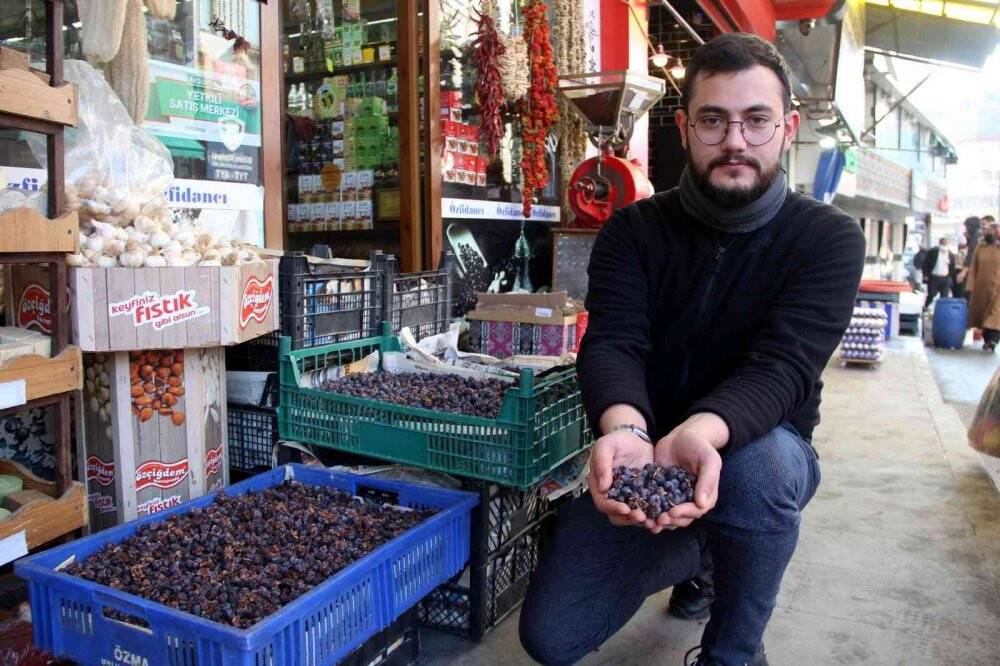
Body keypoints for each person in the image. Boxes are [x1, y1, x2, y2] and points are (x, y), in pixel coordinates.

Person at [519, 33, 865, 666]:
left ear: (787, 128)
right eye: (713, 120)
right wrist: (623, 428)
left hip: (762, 448)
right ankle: (703, 547)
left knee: (754, 473)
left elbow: (784, 366)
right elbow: (615, 341)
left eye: (756, 120)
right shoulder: (635, 229)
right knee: (551, 637)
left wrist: (699, 436)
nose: (735, 140)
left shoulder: (827, 239)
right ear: (685, 127)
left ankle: (733, 650)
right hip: (652, 450)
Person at [968, 222, 1000, 352]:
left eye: (990, 230)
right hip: (982, 287)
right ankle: (988, 341)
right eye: (986, 230)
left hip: (998, 288)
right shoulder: (980, 248)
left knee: (996, 314)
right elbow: (973, 268)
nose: (987, 232)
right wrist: (970, 287)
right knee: (983, 315)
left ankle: (993, 340)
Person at [922, 237, 955, 311]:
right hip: (934, 277)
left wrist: (950, 278)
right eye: (943, 243)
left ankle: (942, 310)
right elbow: (926, 263)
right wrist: (926, 275)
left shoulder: (950, 255)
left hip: (945, 278)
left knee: (944, 297)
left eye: (945, 244)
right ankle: (926, 307)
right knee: (931, 294)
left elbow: (952, 266)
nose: (944, 245)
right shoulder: (932, 252)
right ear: (939, 243)